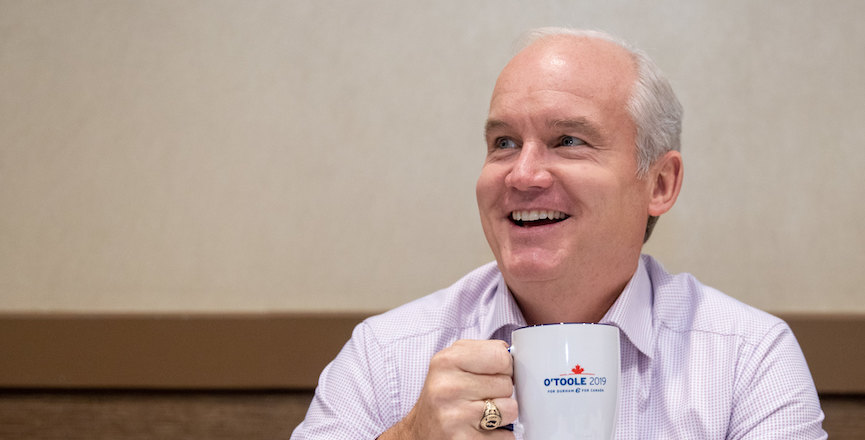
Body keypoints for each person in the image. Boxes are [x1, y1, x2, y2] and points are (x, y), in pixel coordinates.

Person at [290, 27, 826, 439]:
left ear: (659, 183)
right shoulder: (387, 353)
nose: (522, 175)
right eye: (503, 142)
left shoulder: (748, 358)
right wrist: (408, 437)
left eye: (568, 140)